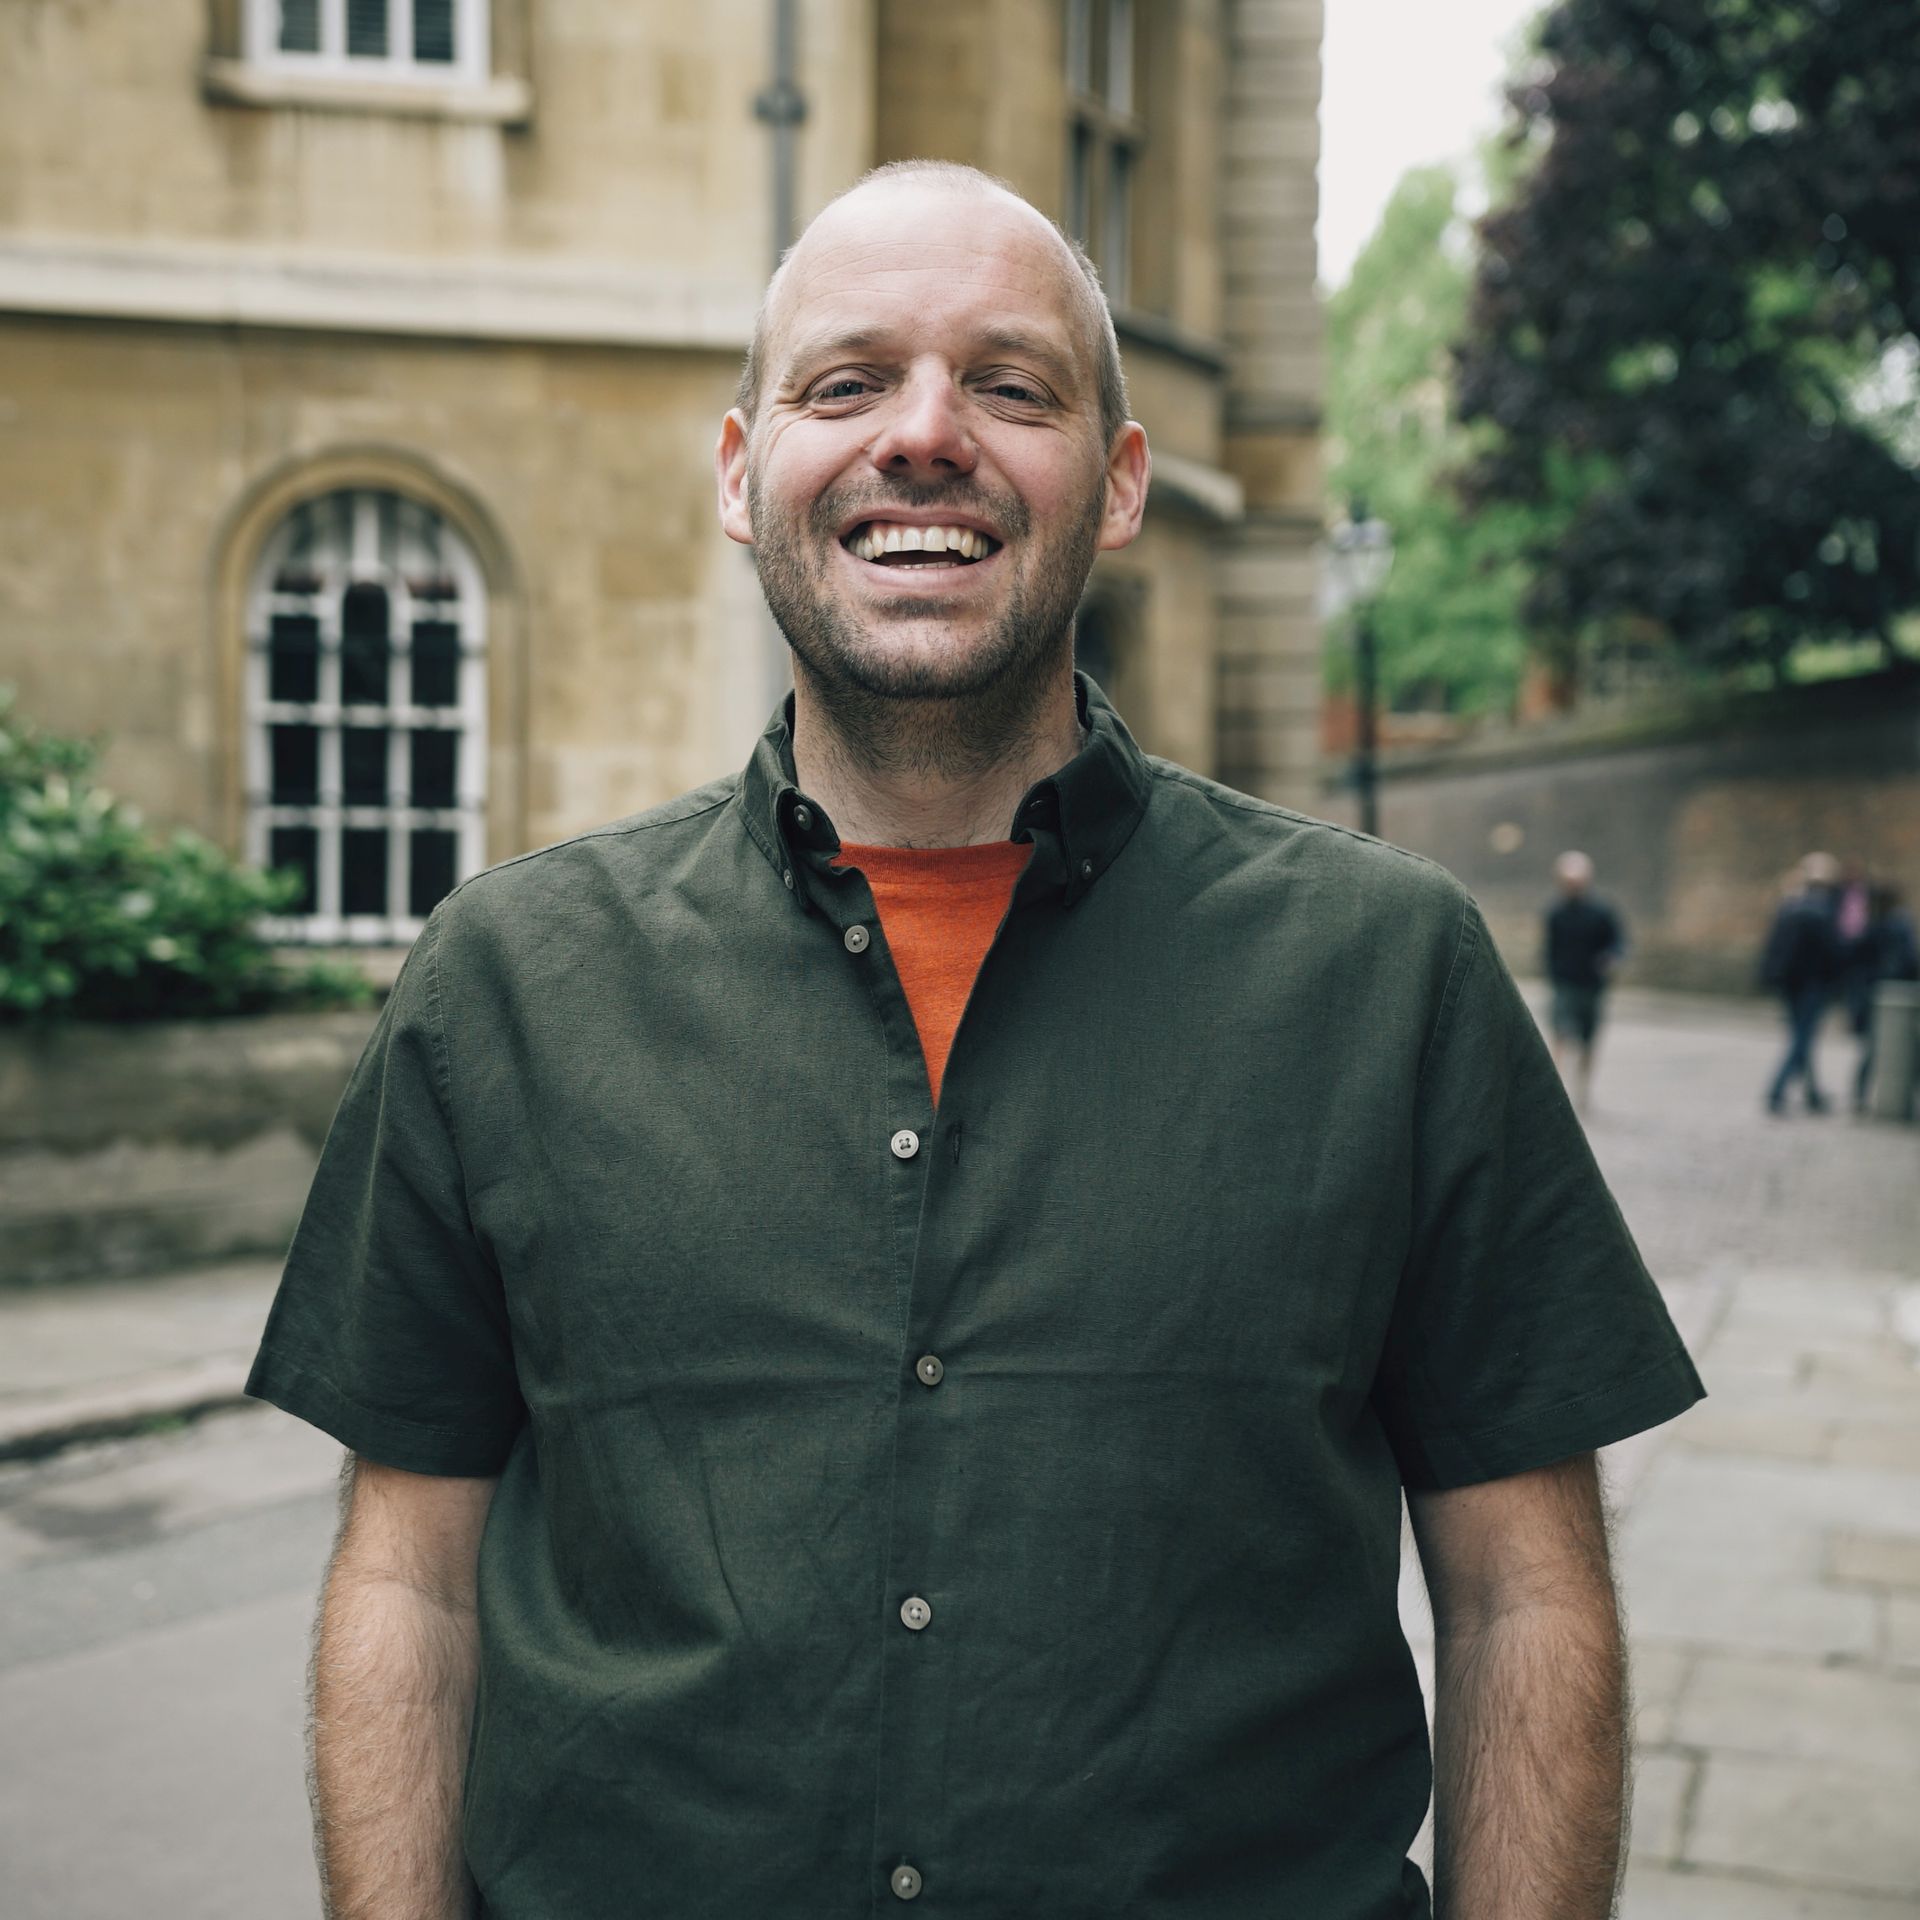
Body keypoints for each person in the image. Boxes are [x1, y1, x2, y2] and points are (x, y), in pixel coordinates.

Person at [248, 162, 1704, 1920]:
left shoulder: (1391, 976)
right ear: (739, 474)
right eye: (846, 382)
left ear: (1121, 481)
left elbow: (1521, 1597)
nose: (924, 436)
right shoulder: (506, 979)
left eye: (1010, 386)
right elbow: (407, 1577)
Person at [1760, 852, 1845, 1114]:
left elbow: (1773, 946)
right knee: (1802, 1038)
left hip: (1790, 983)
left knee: (1802, 1036)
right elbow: (1833, 950)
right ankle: (1776, 1090)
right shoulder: (1821, 911)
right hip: (1813, 983)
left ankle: (1812, 1093)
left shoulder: (1789, 906)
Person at [1543, 850, 1626, 1111]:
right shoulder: (1555, 912)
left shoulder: (1601, 911)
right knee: (1560, 1035)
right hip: (1564, 983)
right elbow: (1550, 947)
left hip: (1591, 984)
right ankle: (1557, 1092)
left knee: (1588, 1041)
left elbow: (1618, 942)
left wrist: (1611, 958)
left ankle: (1583, 1090)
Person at [1848, 883, 1920, 1112]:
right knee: (1903, 1047)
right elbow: (1909, 959)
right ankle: (1901, 1098)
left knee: (1872, 1047)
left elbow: (1853, 957)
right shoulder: (1899, 923)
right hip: (1897, 992)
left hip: (1870, 992)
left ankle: (1860, 1094)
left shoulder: (1870, 924)